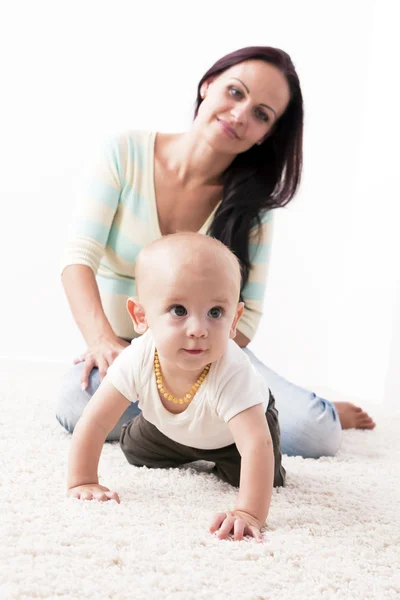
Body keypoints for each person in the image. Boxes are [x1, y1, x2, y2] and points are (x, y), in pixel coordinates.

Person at [56, 45, 375, 458]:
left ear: (267, 134)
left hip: (208, 352)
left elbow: (249, 316)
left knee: (314, 434)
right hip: (121, 344)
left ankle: (318, 410)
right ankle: (196, 430)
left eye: (262, 114)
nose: (241, 114)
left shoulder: (253, 208)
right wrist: (100, 340)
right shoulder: (125, 152)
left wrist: (194, 363)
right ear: (208, 85)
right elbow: (78, 257)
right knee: (75, 407)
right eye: (236, 92)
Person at [68, 233, 286, 542]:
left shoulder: (233, 371)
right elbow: (95, 420)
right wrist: (82, 481)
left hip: (231, 438)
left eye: (215, 312)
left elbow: (255, 446)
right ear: (141, 316)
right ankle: (167, 440)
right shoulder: (138, 358)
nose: (198, 330)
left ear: (235, 318)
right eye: (179, 311)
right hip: (168, 429)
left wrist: (249, 513)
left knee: (266, 477)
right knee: (133, 449)